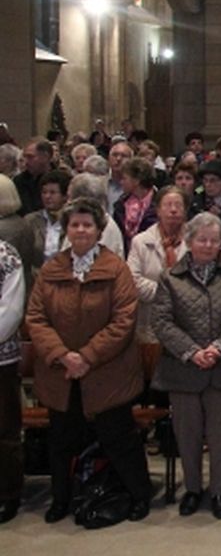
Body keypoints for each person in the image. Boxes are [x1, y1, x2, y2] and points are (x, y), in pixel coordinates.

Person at [24, 197, 153, 523]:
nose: (81, 230)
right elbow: (36, 318)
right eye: (74, 225)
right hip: (61, 374)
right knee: (61, 441)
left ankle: (139, 495)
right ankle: (61, 498)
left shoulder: (116, 269)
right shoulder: (51, 270)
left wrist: (86, 356)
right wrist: (63, 356)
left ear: (99, 230)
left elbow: (123, 320)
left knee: (120, 439)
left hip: (108, 372)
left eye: (87, 225)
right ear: (66, 230)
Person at [151, 212, 221, 519]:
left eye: (214, 240)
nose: (208, 245)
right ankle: (193, 489)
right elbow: (162, 321)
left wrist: (218, 348)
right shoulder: (169, 278)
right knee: (187, 433)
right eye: (202, 239)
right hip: (183, 368)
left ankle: (219, 490)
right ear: (189, 240)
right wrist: (192, 351)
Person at [127, 186, 190, 342]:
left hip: (188, 324)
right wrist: (166, 294)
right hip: (149, 323)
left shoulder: (196, 242)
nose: (173, 210)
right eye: (168, 205)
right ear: (158, 210)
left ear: (185, 210)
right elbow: (133, 281)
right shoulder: (140, 242)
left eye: (178, 205)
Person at [0, 240, 25, 523]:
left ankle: (8, 494)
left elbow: (11, 310)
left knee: (4, 430)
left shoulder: (6, 255)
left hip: (2, 359)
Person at [112, 157, 159, 253]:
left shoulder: (159, 203)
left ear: (136, 181)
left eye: (124, 178)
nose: (121, 182)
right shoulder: (120, 205)